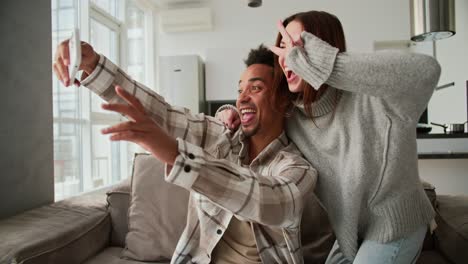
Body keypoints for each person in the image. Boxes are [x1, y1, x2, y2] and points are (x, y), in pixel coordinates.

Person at [53, 43, 318, 263]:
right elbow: (163, 114)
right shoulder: (221, 137)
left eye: (256, 88)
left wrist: (176, 155)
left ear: (283, 99)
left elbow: (269, 199)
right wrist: (94, 66)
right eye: (240, 90)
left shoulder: (298, 168)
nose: (242, 98)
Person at [217, 10, 441, 264]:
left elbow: (428, 70)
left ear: (322, 48)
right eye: (283, 47)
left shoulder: (376, 97)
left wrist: (325, 66)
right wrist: (230, 112)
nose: (287, 56)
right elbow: (257, 108)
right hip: (351, 235)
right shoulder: (293, 115)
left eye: (297, 45)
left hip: (397, 223)